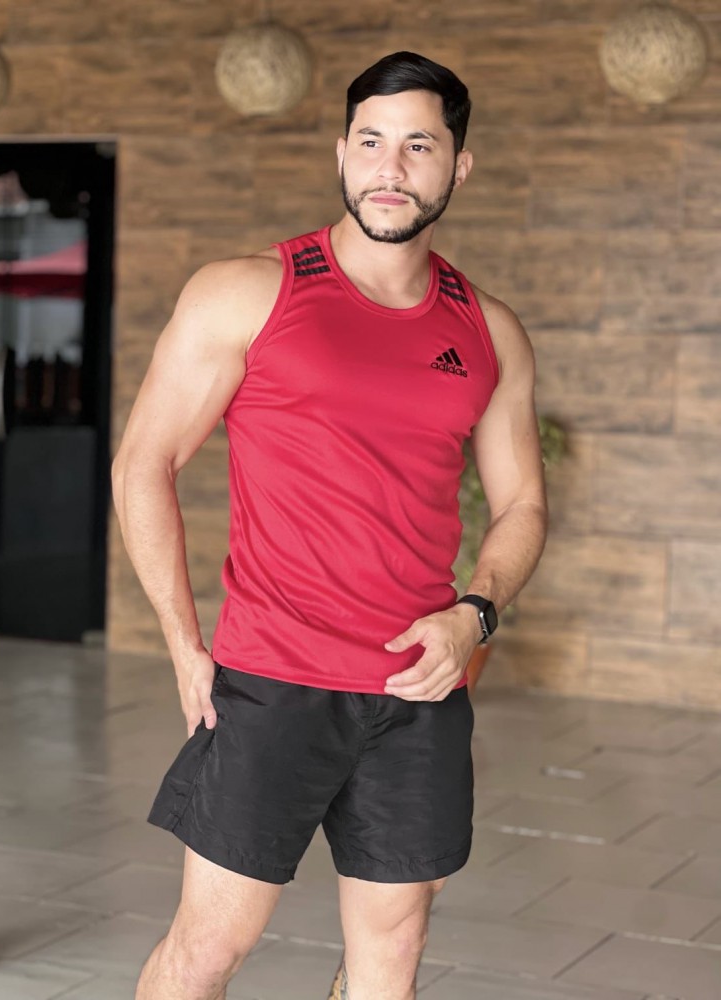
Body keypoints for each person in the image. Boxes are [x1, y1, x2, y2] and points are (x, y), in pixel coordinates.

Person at [112, 50, 547, 1000]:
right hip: (271, 681)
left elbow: (522, 505)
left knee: (393, 954)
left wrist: (474, 613)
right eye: (371, 141)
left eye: (419, 145)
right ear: (341, 153)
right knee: (208, 951)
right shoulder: (247, 291)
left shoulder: (489, 330)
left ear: (459, 166)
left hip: (419, 690)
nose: (391, 167)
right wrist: (184, 646)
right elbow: (143, 463)